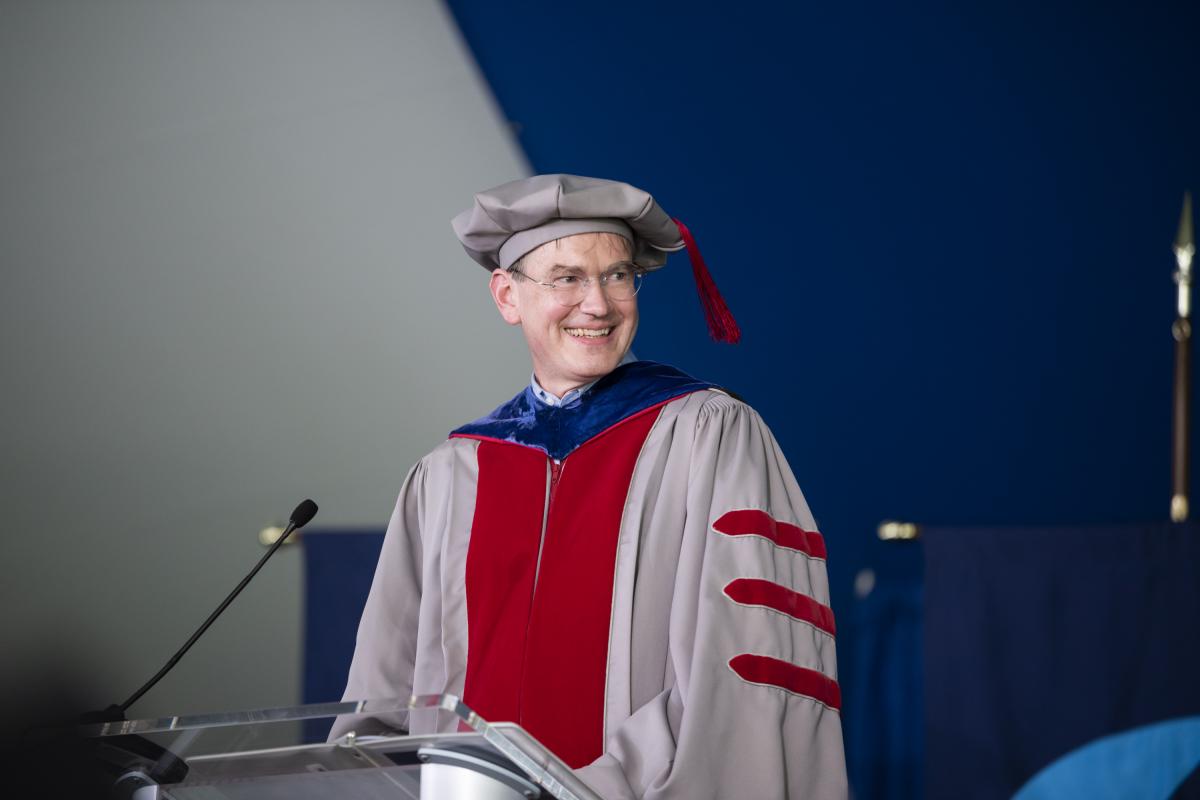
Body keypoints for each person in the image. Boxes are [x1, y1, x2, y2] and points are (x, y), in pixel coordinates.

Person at [332, 174, 847, 799]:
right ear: (507, 296)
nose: (598, 304)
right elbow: (385, 697)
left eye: (618, 276)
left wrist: (579, 791)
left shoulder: (710, 434)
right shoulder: (451, 473)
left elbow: (740, 674)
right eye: (566, 278)